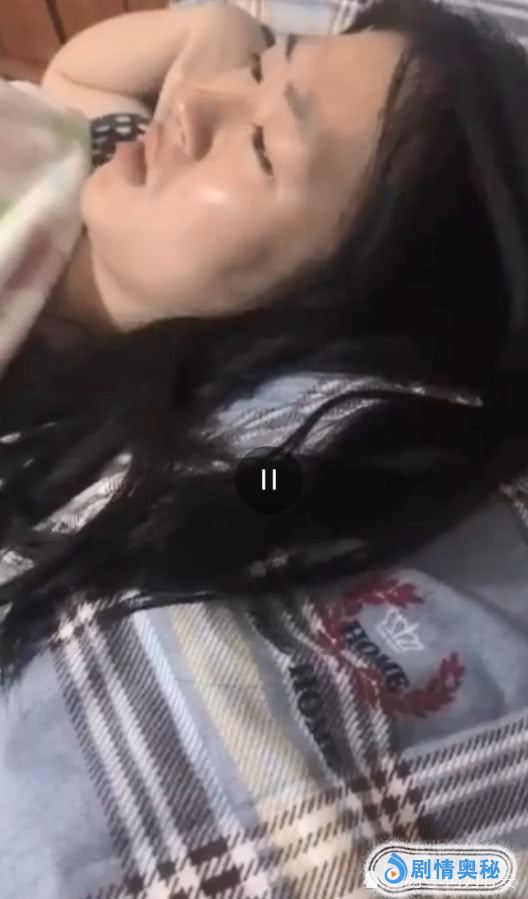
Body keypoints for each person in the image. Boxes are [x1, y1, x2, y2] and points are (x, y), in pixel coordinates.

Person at [2, 2, 528, 897]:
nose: (194, 104)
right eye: (258, 73)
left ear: (328, 313)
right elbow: (76, 76)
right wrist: (214, 28)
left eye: (261, 149)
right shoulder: (101, 144)